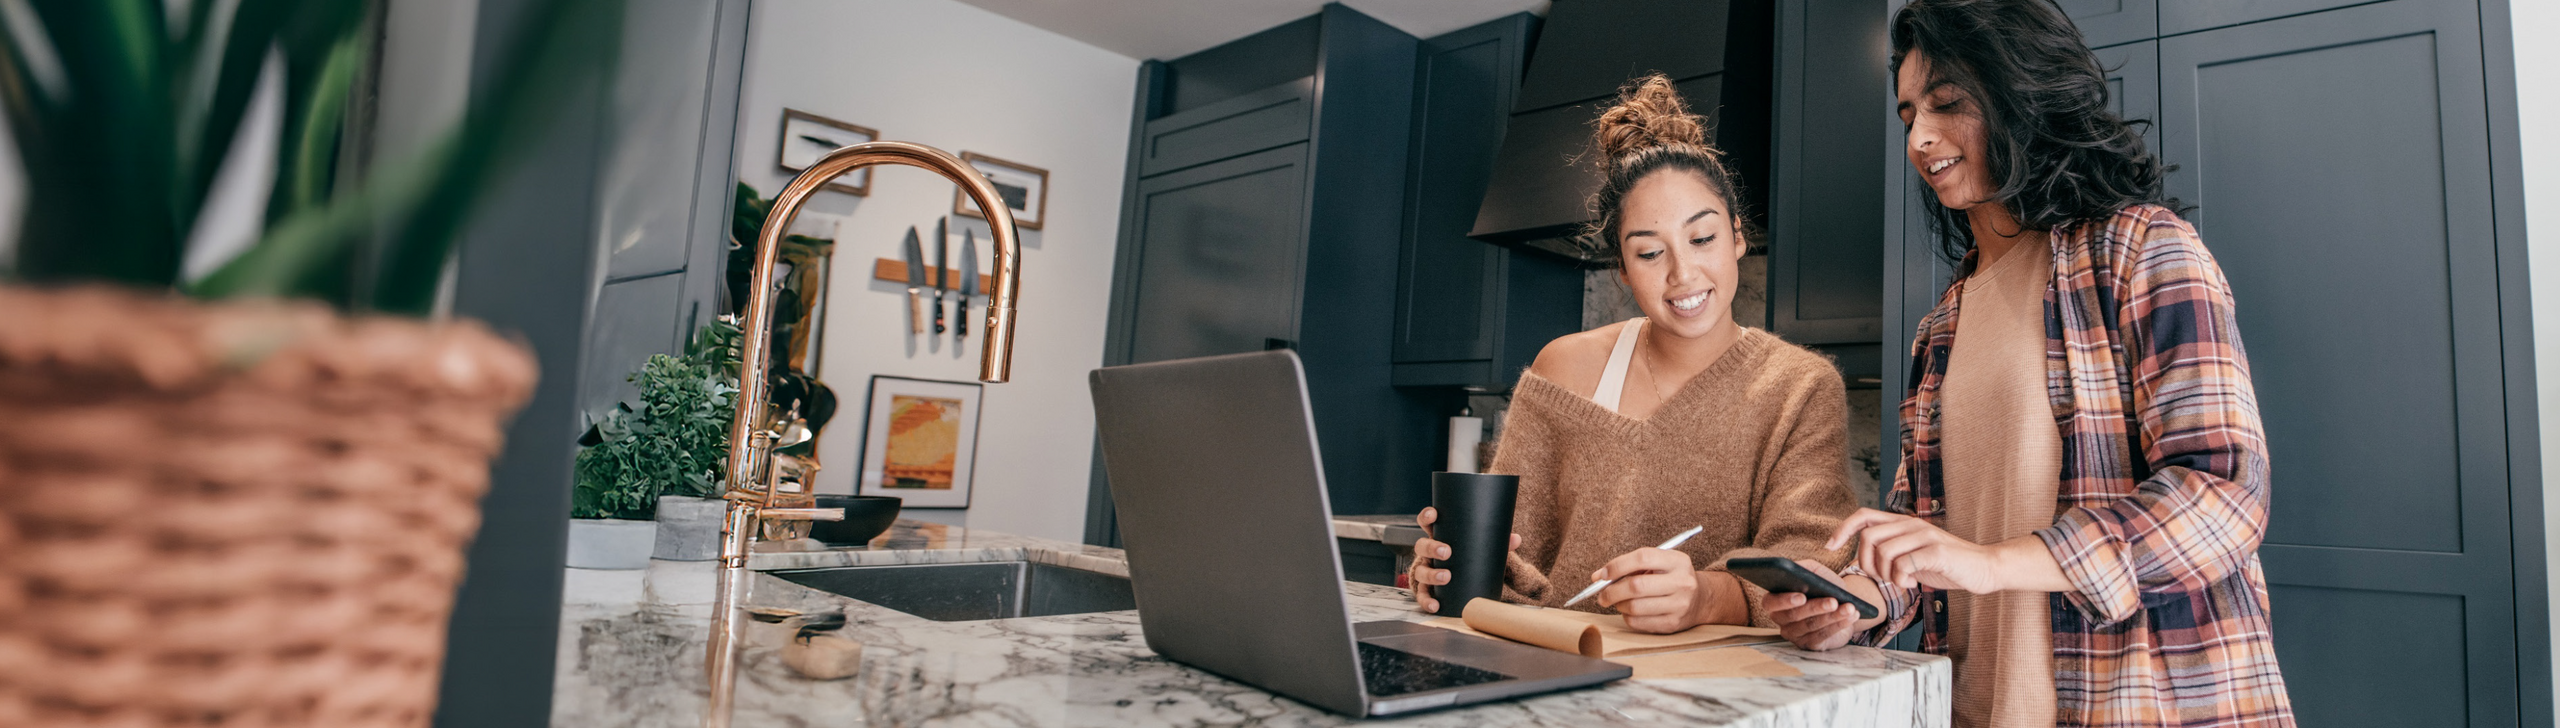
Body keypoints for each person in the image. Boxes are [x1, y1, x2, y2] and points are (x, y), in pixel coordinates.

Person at [1764, 1, 2296, 726]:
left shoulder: (2143, 251)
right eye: (1908, 113)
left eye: (1948, 104)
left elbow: (2223, 496)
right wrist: (1855, 605)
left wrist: (1991, 562)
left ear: (2022, 95)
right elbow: (1925, 541)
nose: (1920, 137)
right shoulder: (1941, 327)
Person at [1407, 75, 1860, 635]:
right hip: (1553, 678)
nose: (1682, 274)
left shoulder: (1800, 387)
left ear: (1739, 238)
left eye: (1703, 239)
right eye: (1650, 252)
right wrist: (1448, 572)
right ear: (1621, 270)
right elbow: (1508, 560)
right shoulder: (1562, 370)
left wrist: (1706, 598)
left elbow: (1811, 561)